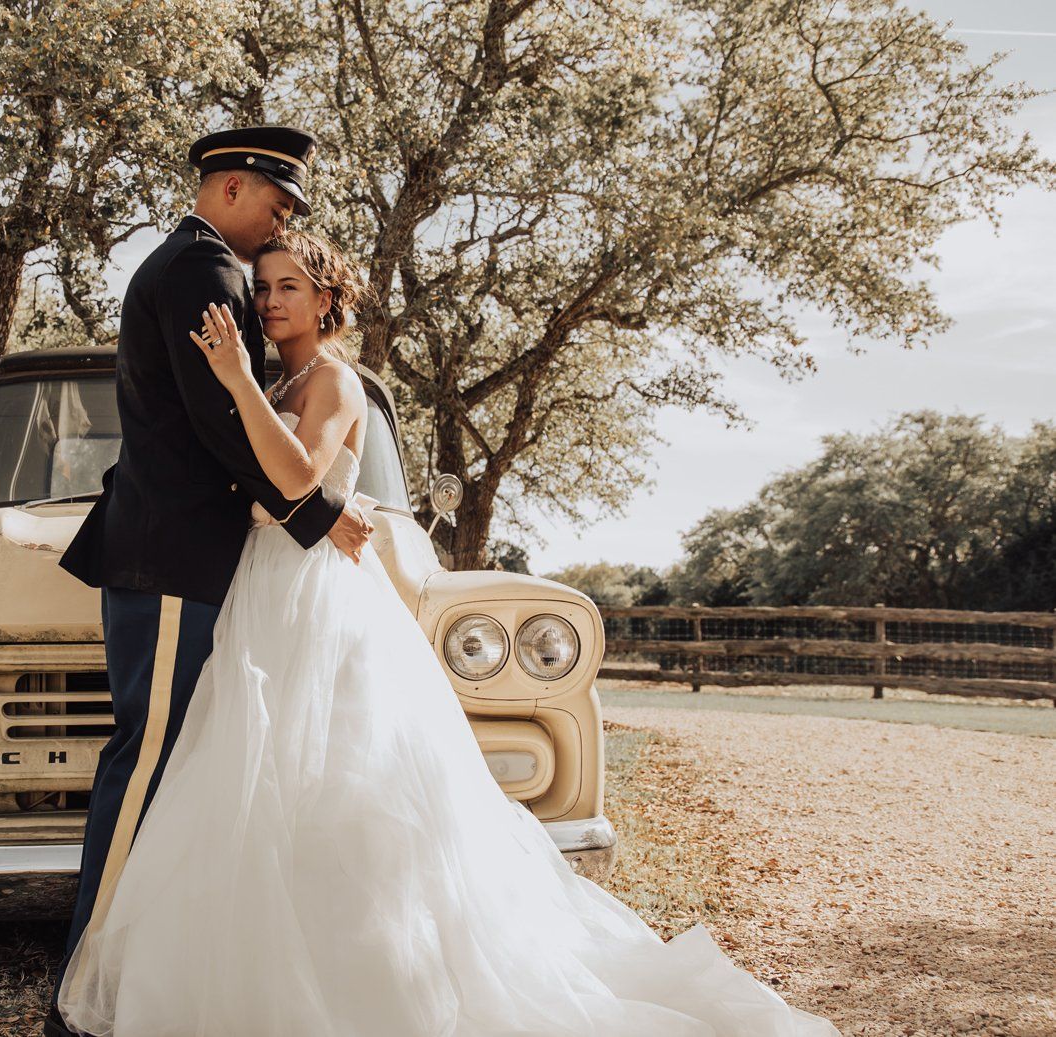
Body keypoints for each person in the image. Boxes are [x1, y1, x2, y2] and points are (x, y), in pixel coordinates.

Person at [52, 227, 844, 1036]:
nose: (267, 301)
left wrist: (230, 378)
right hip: (259, 588)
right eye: (261, 288)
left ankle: (361, 971)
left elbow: (294, 477)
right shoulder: (275, 380)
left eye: (288, 286)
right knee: (249, 775)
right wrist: (237, 388)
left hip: (314, 597)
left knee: (334, 783)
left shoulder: (333, 381)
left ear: (328, 300)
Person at [48, 125, 375, 1037]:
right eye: (277, 200)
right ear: (233, 185)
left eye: (290, 269)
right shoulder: (203, 272)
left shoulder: (195, 266)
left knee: (164, 770)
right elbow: (215, 426)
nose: (280, 220)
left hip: (185, 557)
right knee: (144, 765)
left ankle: (122, 971)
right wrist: (317, 519)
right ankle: (83, 983)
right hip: (170, 556)